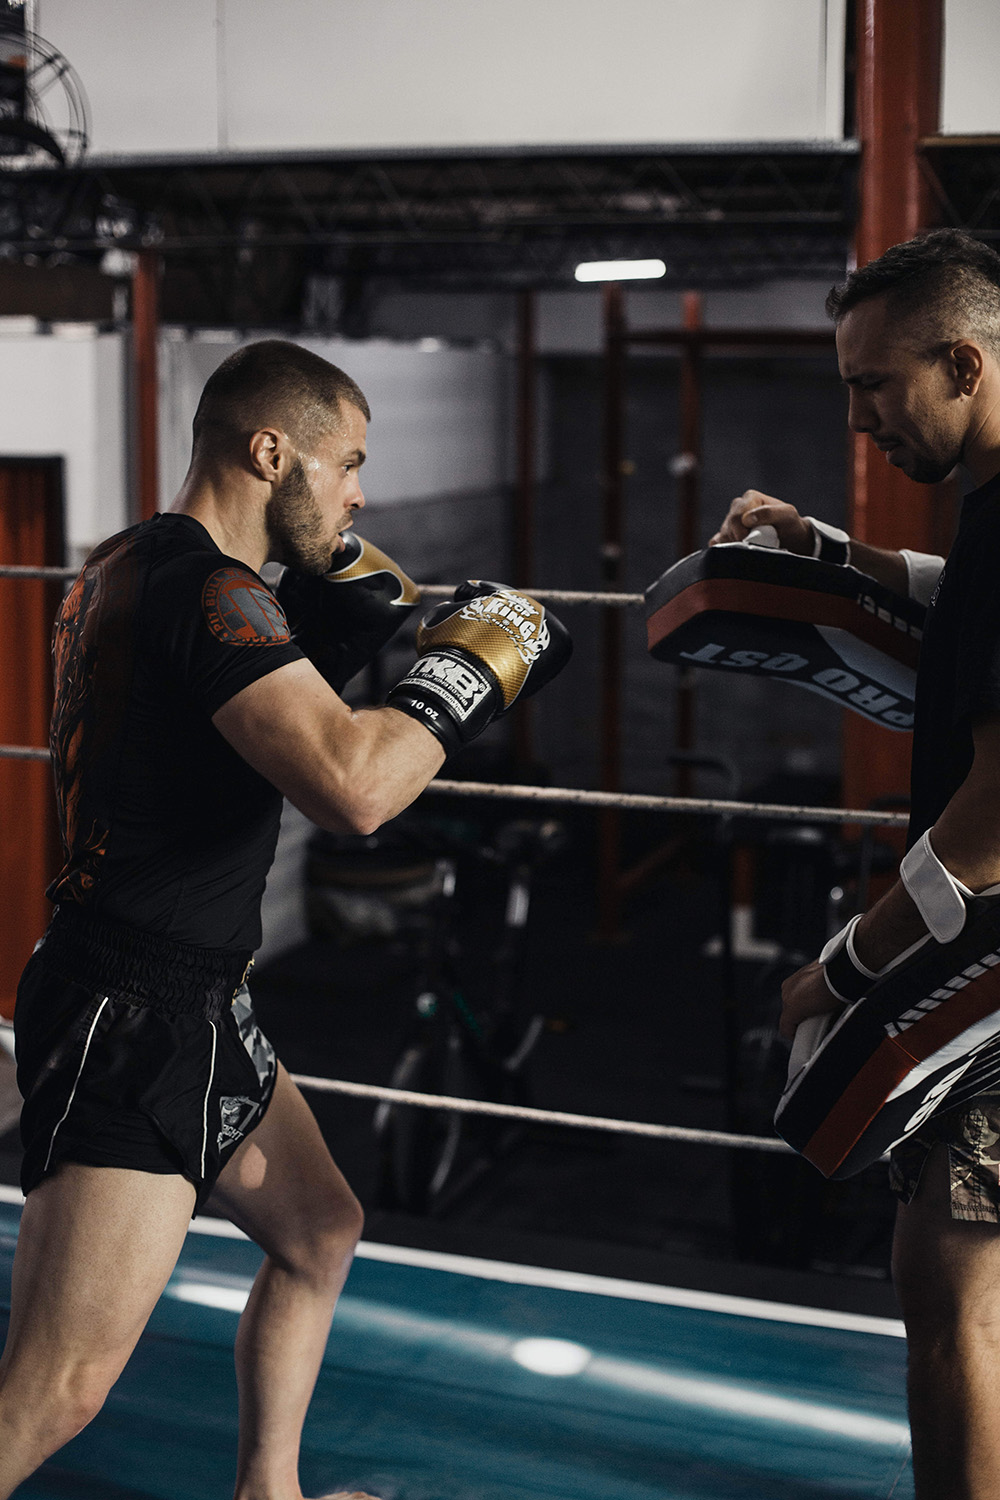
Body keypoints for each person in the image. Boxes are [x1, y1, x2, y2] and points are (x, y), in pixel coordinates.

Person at [0, 339, 570, 1500]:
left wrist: (346, 623)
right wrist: (468, 674)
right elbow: (355, 789)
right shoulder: (212, 595)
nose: (360, 492)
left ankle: (271, 1490)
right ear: (272, 451)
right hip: (136, 1018)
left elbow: (239, 701)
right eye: (346, 462)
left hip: (195, 994)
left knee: (319, 1231)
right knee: (55, 1391)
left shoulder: (131, 562)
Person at [711, 228, 1000, 1499]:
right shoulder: (988, 509)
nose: (858, 414)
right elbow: (970, 613)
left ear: (962, 361)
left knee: (949, 1296)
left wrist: (839, 968)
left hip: (988, 968)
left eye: (872, 385)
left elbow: (997, 817)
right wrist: (835, 557)